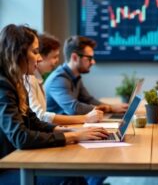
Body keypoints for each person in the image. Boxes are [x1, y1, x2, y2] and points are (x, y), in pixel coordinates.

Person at [0, 24, 109, 184]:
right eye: (35, 51)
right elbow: (21, 137)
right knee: (71, 178)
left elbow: (33, 122)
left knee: (75, 176)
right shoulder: (3, 86)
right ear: (19, 53)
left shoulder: (17, 81)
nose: (40, 58)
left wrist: (68, 130)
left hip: (16, 160)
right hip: (6, 169)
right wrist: (72, 136)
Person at [26, 33, 104, 124]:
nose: (57, 61)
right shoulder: (53, 79)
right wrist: (86, 118)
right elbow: (41, 116)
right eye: (35, 52)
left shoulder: (37, 78)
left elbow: (88, 99)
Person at [45, 35, 128, 116]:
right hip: (58, 128)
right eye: (89, 58)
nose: (93, 62)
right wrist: (109, 108)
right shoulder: (58, 80)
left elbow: (88, 100)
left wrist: (112, 107)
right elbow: (74, 109)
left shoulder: (75, 76)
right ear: (74, 57)